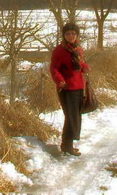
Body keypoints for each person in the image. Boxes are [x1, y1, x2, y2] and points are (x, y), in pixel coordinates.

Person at [50, 21, 90, 156]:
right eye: (68, 33)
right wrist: (59, 80)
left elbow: (80, 63)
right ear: (63, 35)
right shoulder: (59, 50)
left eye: (73, 33)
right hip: (66, 88)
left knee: (75, 116)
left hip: (78, 86)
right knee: (71, 117)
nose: (71, 36)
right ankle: (67, 146)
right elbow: (54, 68)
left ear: (77, 35)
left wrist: (84, 67)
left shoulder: (77, 49)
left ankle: (67, 145)